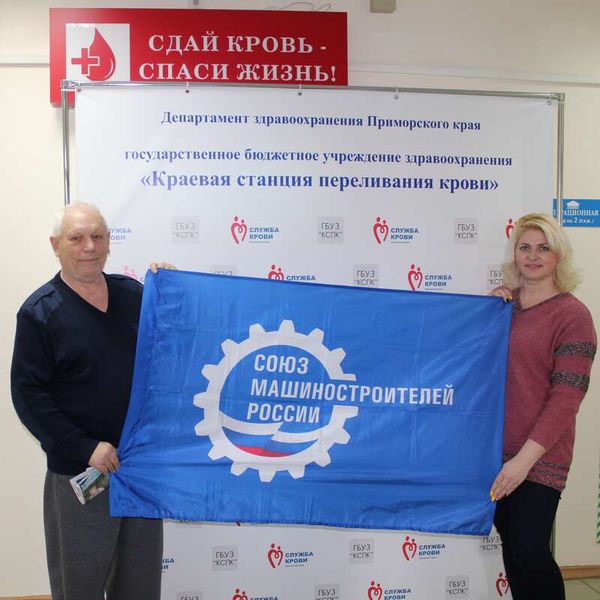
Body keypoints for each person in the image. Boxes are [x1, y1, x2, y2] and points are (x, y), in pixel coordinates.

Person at [11, 202, 166, 600]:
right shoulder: (40, 313)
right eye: (76, 238)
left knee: (140, 584)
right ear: (55, 245)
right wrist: (85, 448)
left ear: (109, 241)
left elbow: (175, 337)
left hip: (139, 470)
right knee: (79, 586)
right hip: (82, 473)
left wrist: (171, 288)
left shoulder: (134, 296)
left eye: (97, 236)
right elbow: (29, 398)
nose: (89, 246)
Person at [489, 213, 596, 600]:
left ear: (558, 256)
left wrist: (523, 462)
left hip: (540, 456)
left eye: (543, 248)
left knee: (531, 551)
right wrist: (486, 314)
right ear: (515, 254)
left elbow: (567, 398)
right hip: (496, 452)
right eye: (525, 247)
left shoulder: (573, 316)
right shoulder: (505, 307)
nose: (533, 256)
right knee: (513, 550)